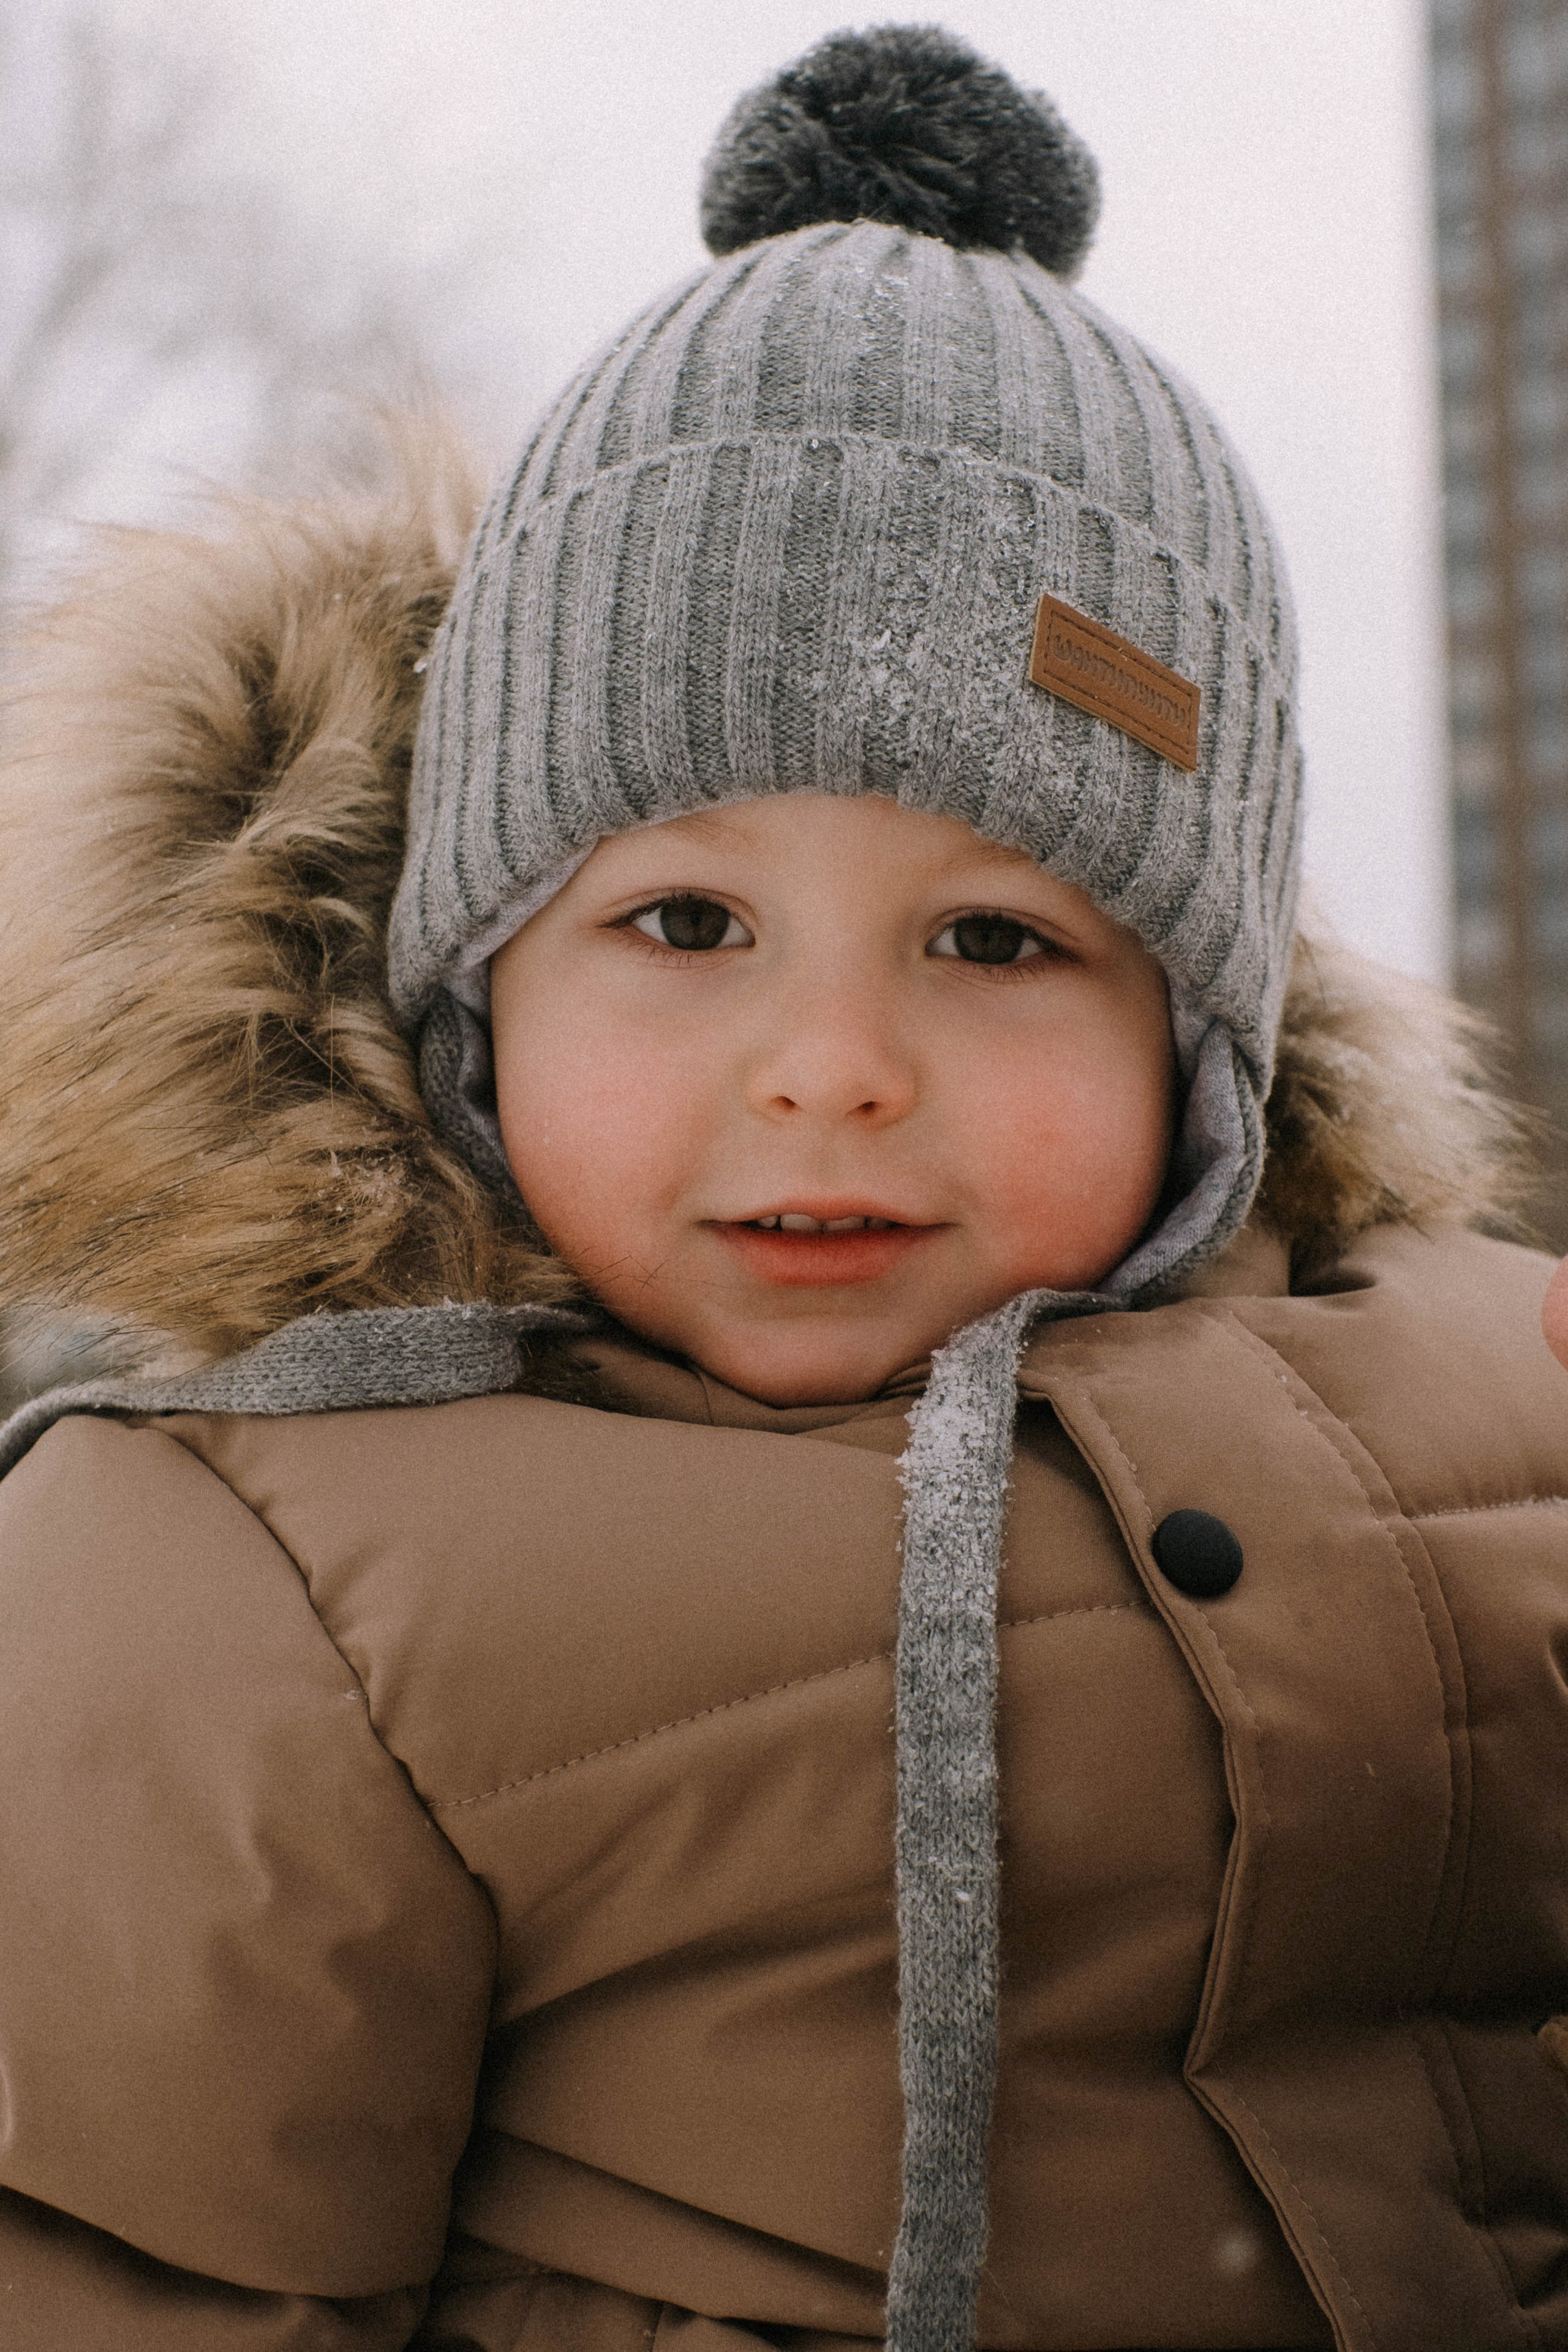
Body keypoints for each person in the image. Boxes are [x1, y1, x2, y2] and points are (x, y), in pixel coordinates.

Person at [0, 25, 1564, 2352]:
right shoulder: (254, 1570)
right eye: (688, 926)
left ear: (1205, 1051)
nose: (833, 1070)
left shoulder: (1482, 1423)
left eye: (999, 940)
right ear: (472, 985)